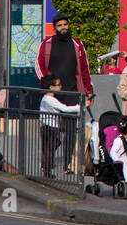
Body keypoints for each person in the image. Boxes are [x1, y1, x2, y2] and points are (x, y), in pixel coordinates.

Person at [34, 16, 94, 172]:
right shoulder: (46, 44)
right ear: (54, 27)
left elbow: (85, 69)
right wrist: (47, 85)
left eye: (65, 24)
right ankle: (47, 163)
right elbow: (38, 66)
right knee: (49, 132)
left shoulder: (77, 44)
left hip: (72, 92)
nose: (63, 27)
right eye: (59, 25)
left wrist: (89, 91)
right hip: (52, 95)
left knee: (70, 132)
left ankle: (69, 163)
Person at [38, 75, 74, 179]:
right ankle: (46, 169)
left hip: (46, 127)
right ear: (51, 87)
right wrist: (80, 106)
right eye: (58, 85)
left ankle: (46, 167)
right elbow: (64, 108)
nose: (60, 87)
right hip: (50, 127)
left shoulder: (46, 98)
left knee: (49, 147)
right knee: (50, 148)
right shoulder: (50, 99)